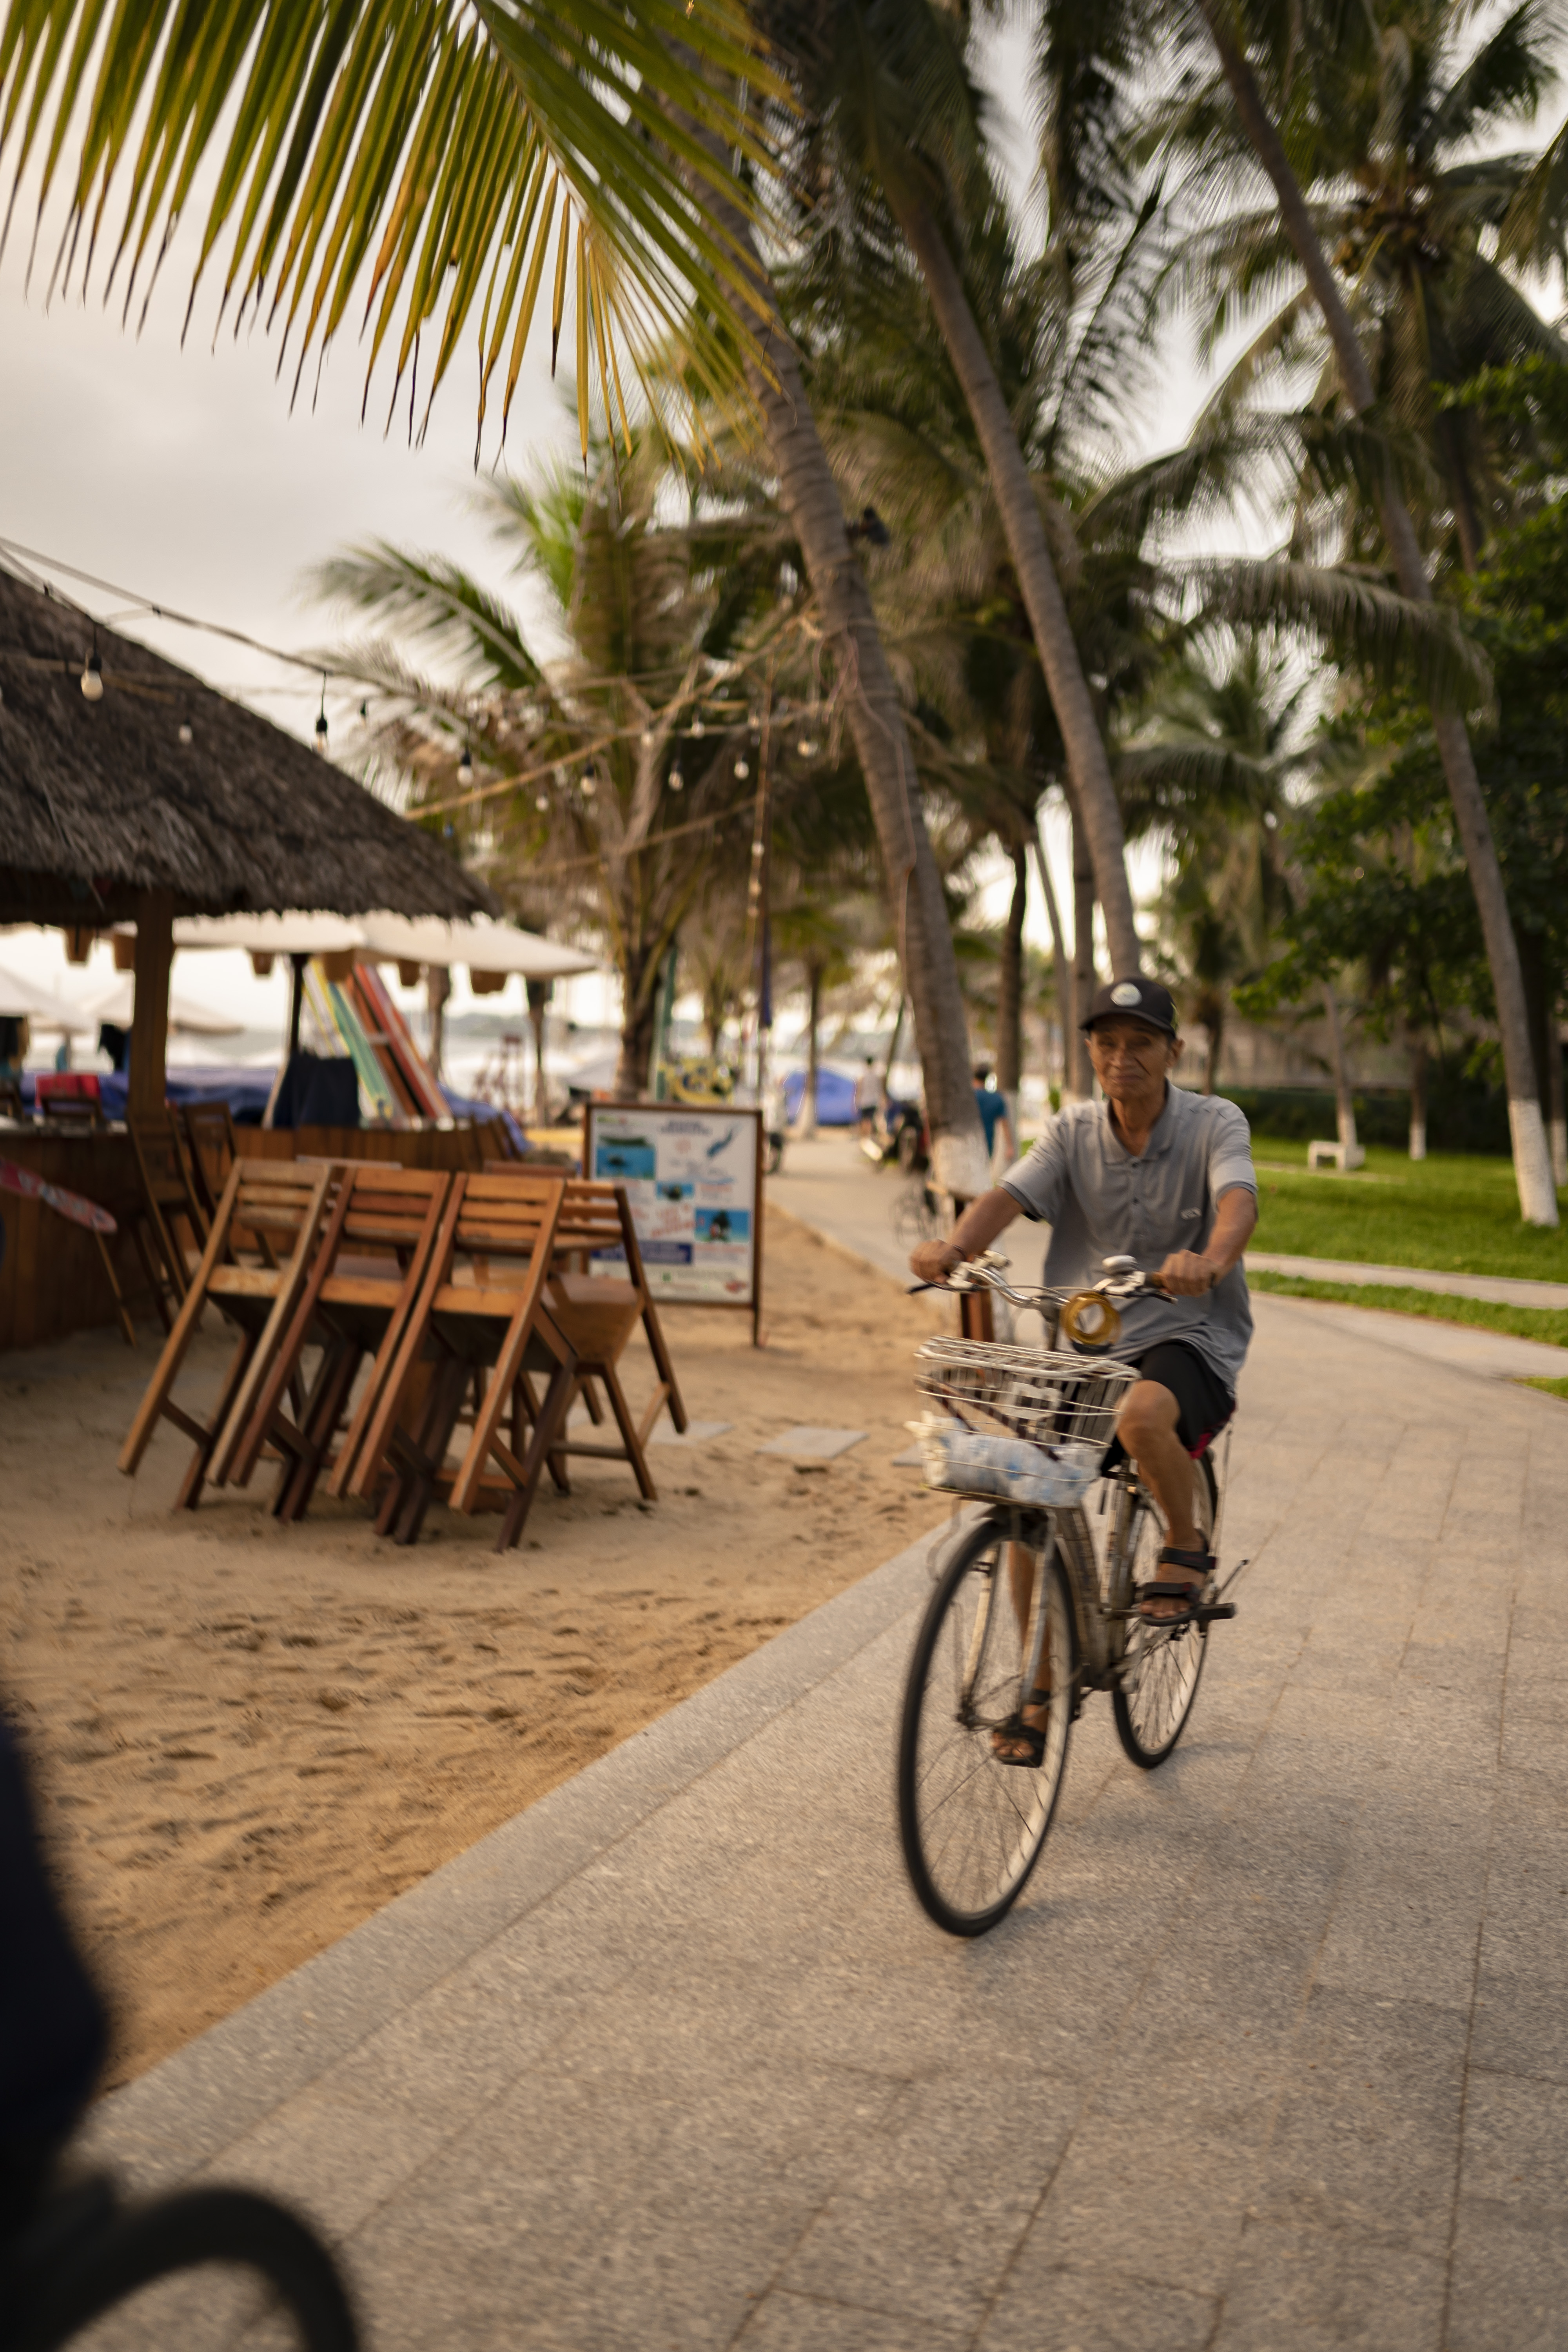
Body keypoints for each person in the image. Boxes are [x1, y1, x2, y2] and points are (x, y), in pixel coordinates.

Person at [911, 976, 1257, 1752]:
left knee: (1140, 1414)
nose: (1120, 1057)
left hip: (1188, 1334)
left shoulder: (1213, 1123)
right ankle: (1039, 1689)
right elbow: (1004, 1195)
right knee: (1029, 1489)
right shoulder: (1070, 1132)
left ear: (1172, 1051)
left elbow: (1237, 1201)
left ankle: (1182, 1543)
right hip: (1089, 1347)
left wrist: (1210, 1257)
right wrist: (955, 1249)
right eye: (1105, 1043)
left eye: (1139, 1043)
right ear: (1091, 1052)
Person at [855, 1055, 880, 1136]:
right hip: (873, 1101)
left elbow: (859, 1090)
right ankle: (868, 1137)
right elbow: (879, 1090)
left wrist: (857, 1102)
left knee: (864, 1120)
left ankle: (864, 1137)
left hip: (864, 1101)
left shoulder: (862, 1076)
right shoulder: (876, 1076)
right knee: (870, 1121)